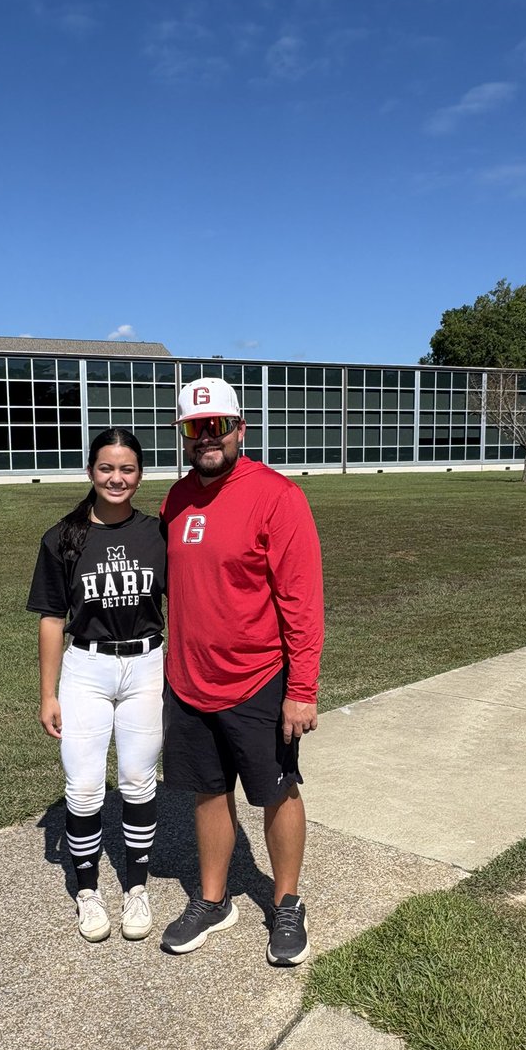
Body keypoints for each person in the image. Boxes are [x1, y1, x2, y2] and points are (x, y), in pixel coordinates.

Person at [160, 378, 324, 966]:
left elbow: (302, 602)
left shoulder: (277, 496)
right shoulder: (175, 501)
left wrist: (300, 691)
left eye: (217, 425)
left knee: (276, 792)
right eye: (193, 427)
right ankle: (213, 899)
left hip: (258, 680)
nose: (207, 436)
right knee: (208, 792)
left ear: (239, 430)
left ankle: (286, 903)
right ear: (182, 434)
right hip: (187, 682)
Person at [27, 428, 166, 943]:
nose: (116, 478)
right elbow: (49, 619)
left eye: (127, 469)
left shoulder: (158, 533)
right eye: (106, 468)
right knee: (84, 787)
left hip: (147, 666)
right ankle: (87, 891)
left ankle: (136, 887)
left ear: (140, 475)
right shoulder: (63, 536)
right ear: (90, 472)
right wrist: (48, 692)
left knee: (136, 780)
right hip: (86, 667)